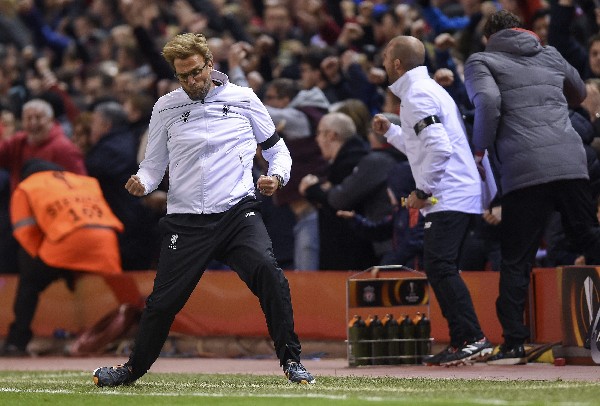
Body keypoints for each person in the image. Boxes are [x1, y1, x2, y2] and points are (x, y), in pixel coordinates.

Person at [92, 33, 315, 387]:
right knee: (163, 303)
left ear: (211, 64)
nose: (192, 81)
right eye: (184, 76)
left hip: (237, 212)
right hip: (186, 220)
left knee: (269, 274)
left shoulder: (244, 98)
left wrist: (276, 176)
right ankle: (132, 370)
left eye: (196, 72)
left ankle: (293, 362)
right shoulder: (165, 106)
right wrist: (142, 182)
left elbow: (277, 150)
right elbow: (153, 165)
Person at [464, 9, 600, 365]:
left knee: (516, 257)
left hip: (525, 167)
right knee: (590, 237)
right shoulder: (549, 52)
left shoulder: (481, 60)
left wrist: (480, 146)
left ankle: (513, 342)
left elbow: (489, 103)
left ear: (487, 36)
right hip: (571, 159)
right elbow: (580, 91)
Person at [372, 35, 493, 366]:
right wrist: (391, 133)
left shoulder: (417, 95)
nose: (382, 63)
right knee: (440, 267)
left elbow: (439, 148)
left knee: (440, 266)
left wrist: (422, 192)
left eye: (385, 57)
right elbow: (424, 147)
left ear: (397, 63)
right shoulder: (424, 91)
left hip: (448, 194)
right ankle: (464, 339)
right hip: (456, 191)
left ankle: (471, 337)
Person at [0, 159, 128, 356]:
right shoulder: (84, 181)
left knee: (29, 281)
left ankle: (17, 341)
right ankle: (141, 324)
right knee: (124, 293)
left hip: (65, 244)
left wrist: (41, 260)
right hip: (106, 242)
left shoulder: (26, 187)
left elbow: (24, 233)